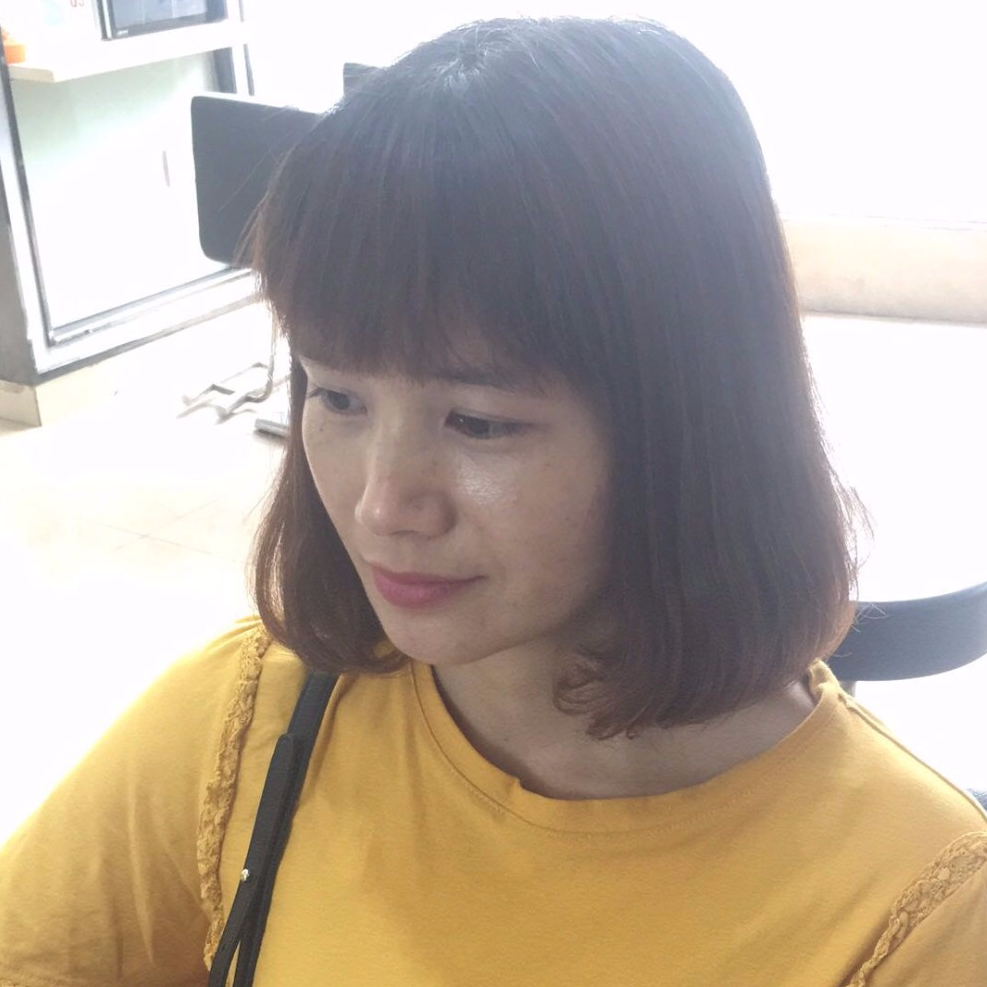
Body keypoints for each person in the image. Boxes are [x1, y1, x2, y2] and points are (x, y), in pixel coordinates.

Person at [1, 16, 984, 987]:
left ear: (693, 423)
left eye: (477, 422)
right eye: (337, 396)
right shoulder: (255, 713)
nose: (382, 504)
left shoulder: (915, 908)